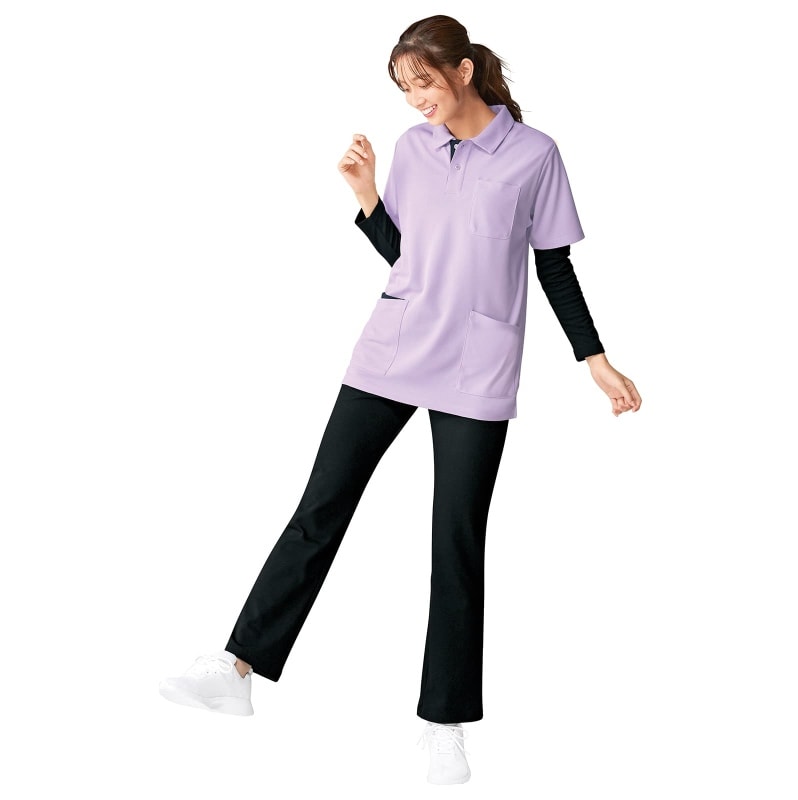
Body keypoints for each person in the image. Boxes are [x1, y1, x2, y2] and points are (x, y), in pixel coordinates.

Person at [159, 14, 642, 785]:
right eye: (404, 88)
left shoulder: (534, 155)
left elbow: (553, 267)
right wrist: (366, 197)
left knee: (456, 539)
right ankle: (238, 665)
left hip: (477, 366)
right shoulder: (414, 149)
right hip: (393, 349)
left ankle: (444, 725)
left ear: (462, 71)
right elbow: (406, 257)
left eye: (423, 82)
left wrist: (595, 359)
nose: (415, 99)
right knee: (321, 507)